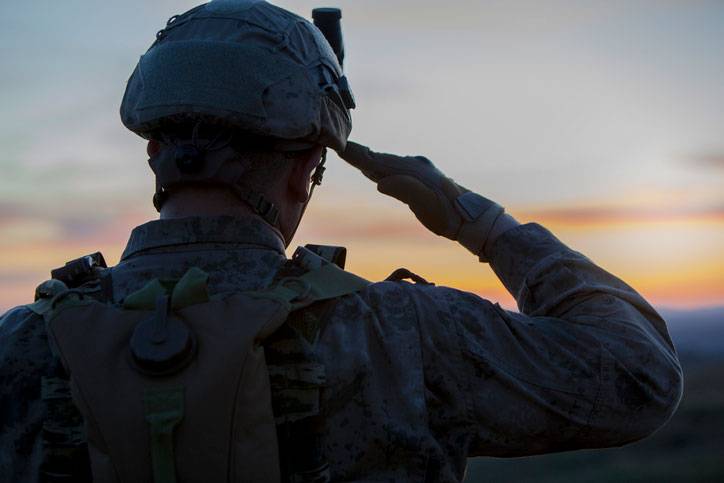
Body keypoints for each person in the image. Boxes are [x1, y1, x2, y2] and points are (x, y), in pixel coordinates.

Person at [0, 1, 683, 482]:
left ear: (153, 149)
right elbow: (640, 377)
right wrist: (478, 222)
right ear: (307, 166)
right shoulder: (404, 334)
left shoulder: (20, 346)